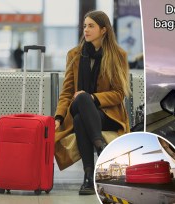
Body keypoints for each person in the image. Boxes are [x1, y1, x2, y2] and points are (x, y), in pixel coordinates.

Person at [54, 10, 131, 195]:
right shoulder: (74, 55)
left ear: (103, 30)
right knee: (80, 99)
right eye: (85, 26)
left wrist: (93, 98)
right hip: (78, 107)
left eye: (91, 26)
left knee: (81, 118)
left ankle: (88, 177)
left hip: (107, 114)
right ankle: (100, 147)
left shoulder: (117, 55)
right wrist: (58, 117)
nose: (86, 30)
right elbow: (66, 93)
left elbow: (119, 93)